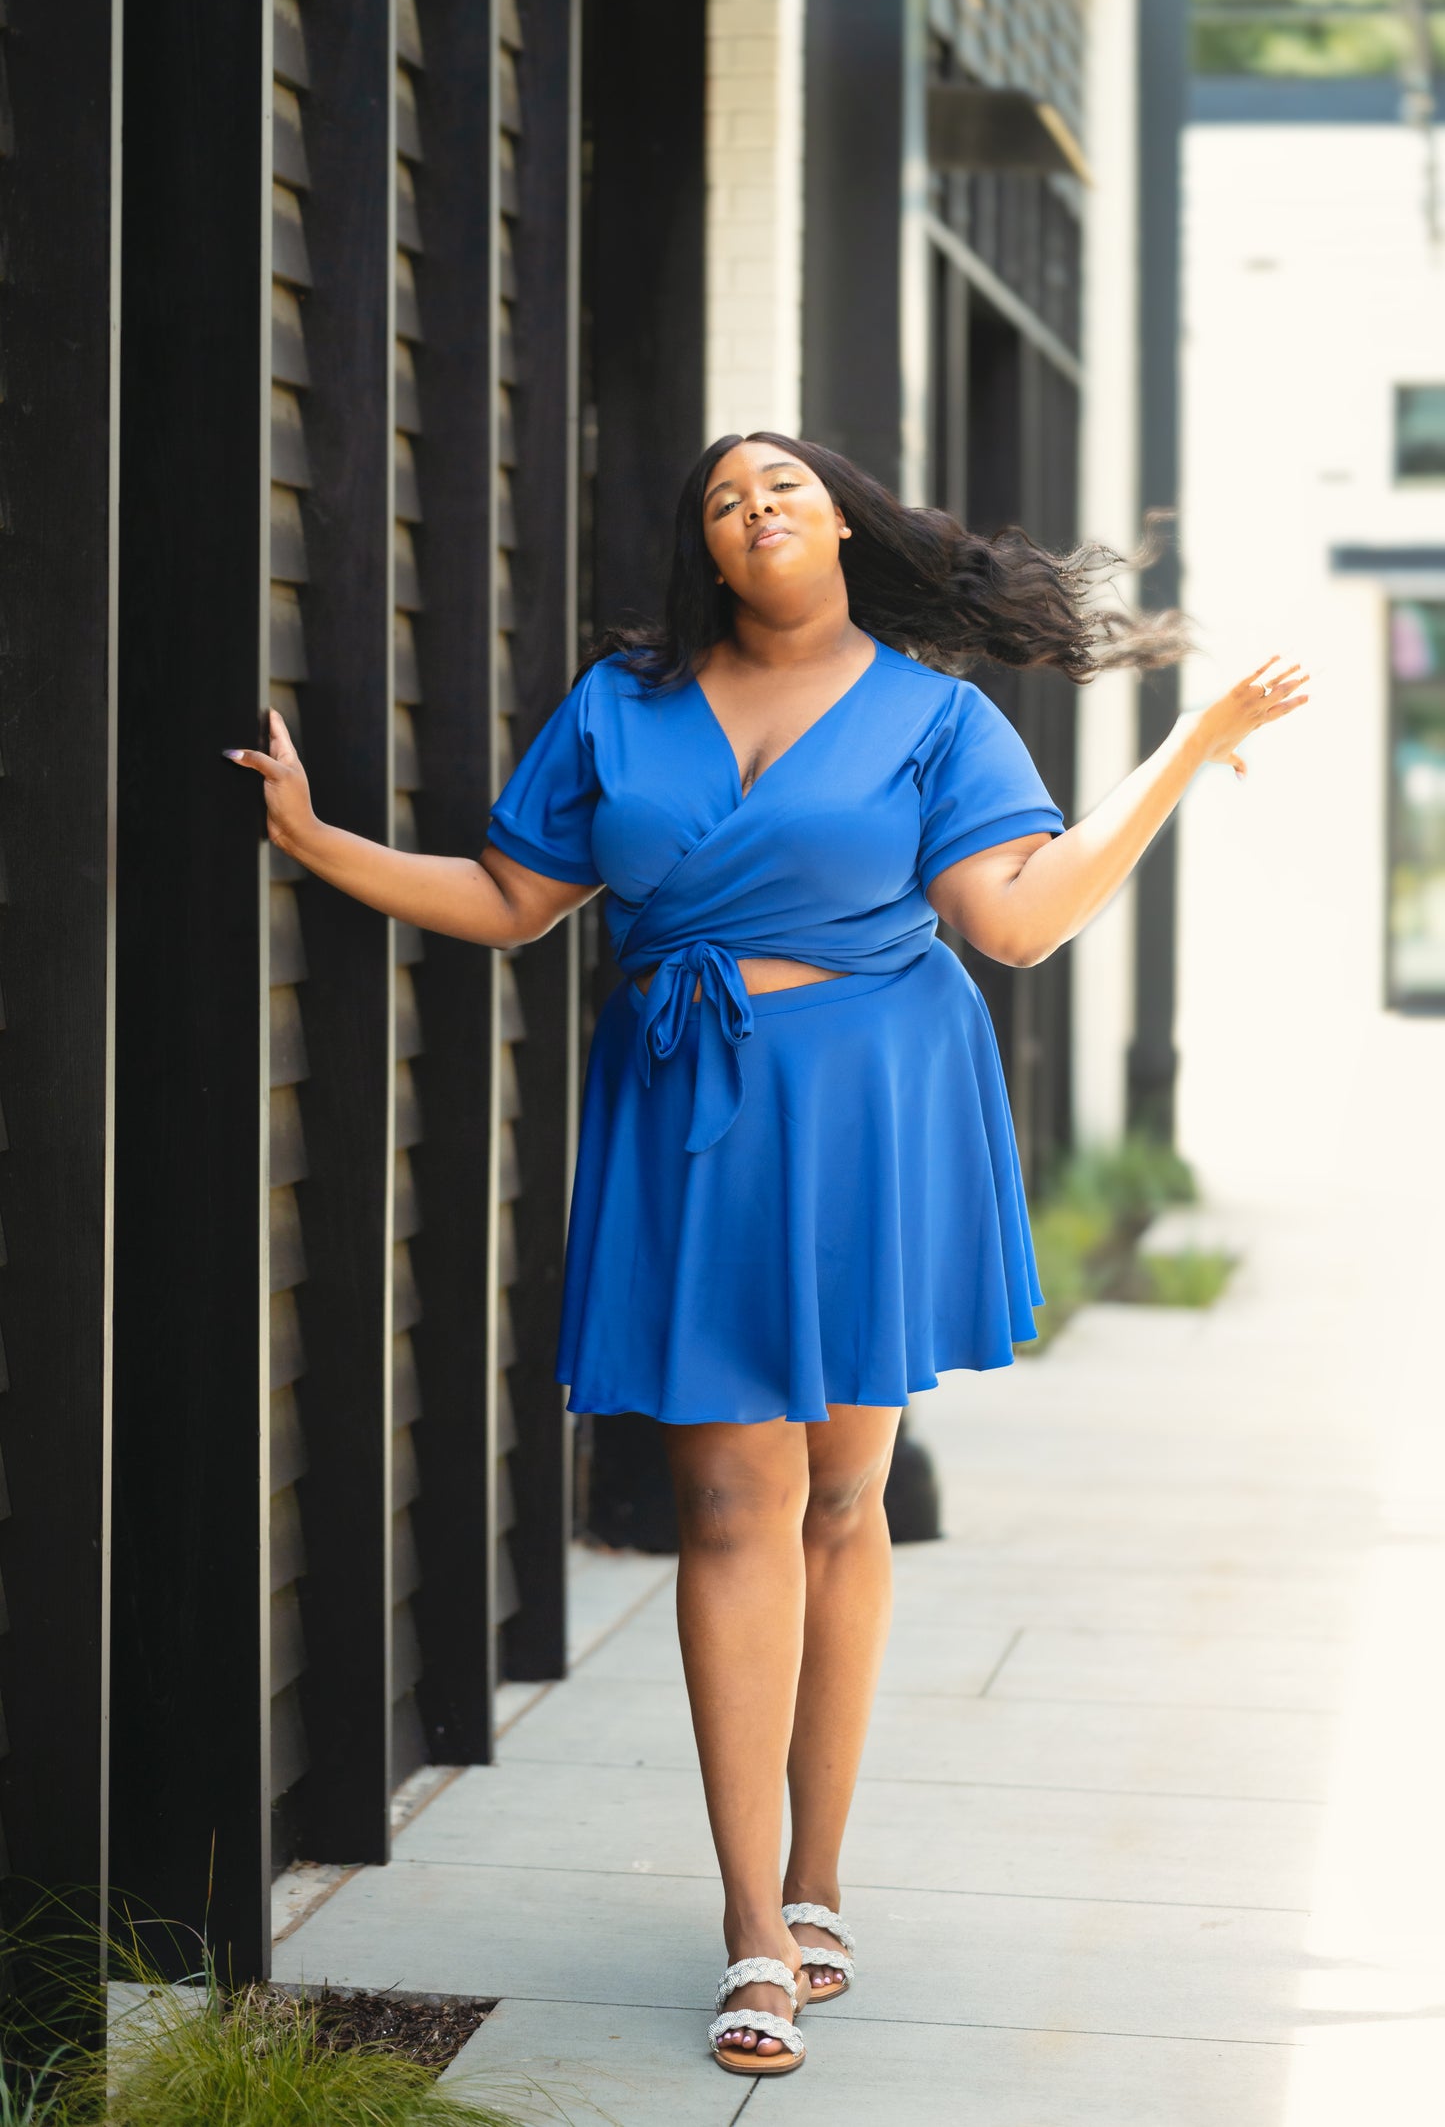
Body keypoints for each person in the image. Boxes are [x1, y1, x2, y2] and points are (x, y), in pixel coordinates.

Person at [226, 432, 1307, 2077]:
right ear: (708, 551)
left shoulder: (937, 716)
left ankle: (818, 1882)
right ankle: (749, 1924)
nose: (754, 507)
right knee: (728, 1503)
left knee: (848, 1501)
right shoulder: (623, 704)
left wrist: (1179, 750)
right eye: (724, 499)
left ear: (843, 525)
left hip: (877, 1107)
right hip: (692, 1119)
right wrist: (315, 843)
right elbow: (515, 895)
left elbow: (1014, 920)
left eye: (782, 485)